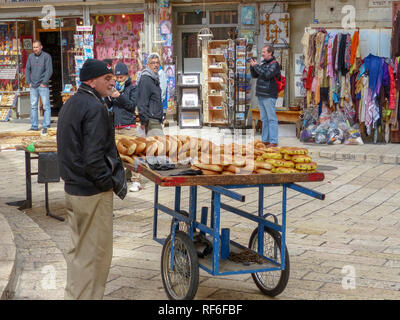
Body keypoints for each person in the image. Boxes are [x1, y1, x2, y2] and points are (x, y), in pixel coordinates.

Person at [57, 58, 126, 300]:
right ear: (91, 81)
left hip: (74, 189)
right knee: (95, 256)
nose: (112, 82)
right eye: (106, 78)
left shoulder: (72, 103)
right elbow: (93, 157)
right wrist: (108, 183)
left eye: (112, 77)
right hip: (91, 192)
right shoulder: (94, 107)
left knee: (79, 254)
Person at [111, 62, 142, 192]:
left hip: (129, 126)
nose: (118, 80)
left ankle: (137, 180)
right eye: (117, 78)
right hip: (116, 126)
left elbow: (131, 105)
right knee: (118, 155)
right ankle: (122, 178)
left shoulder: (132, 88)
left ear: (126, 76)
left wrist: (119, 96)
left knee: (133, 154)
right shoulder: (113, 87)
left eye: (121, 77)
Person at [250, 45, 281, 148]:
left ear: (270, 53)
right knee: (264, 118)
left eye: (264, 52)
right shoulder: (263, 64)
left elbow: (267, 75)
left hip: (269, 95)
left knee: (271, 118)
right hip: (261, 95)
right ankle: (265, 140)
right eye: (262, 51)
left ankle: (273, 141)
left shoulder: (275, 64)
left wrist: (256, 66)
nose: (262, 53)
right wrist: (252, 66)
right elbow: (255, 75)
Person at [25, 40, 53, 134]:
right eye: (34, 47)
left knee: (46, 106)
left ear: (41, 47)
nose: (35, 49)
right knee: (33, 106)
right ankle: (34, 126)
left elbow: (49, 70)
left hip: (42, 85)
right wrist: (28, 82)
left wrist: (44, 82)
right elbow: (27, 69)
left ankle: (46, 126)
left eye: (37, 47)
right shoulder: (30, 57)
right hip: (33, 85)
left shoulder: (46, 56)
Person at [136, 53, 164, 137]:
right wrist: (144, 122)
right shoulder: (146, 79)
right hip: (151, 120)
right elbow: (142, 102)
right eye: (153, 63)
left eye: (157, 63)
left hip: (155, 119)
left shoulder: (154, 78)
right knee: (160, 146)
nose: (155, 65)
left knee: (157, 147)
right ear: (148, 65)